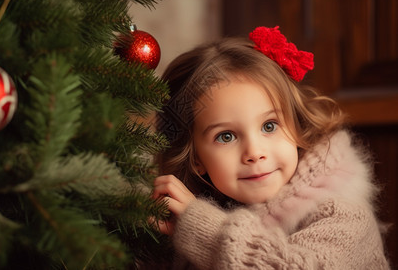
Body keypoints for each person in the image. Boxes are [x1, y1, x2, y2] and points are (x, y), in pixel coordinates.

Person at [152, 26, 390, 269]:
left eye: (269, 126)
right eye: (226, 136)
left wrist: (207, 233)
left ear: (296, 127)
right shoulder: (186, 217)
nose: (255, 153)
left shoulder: (343, 214)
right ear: (196, 159)